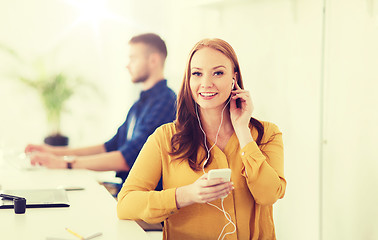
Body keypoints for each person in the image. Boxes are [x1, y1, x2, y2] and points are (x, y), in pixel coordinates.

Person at [116, 38, 286, 240]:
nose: (206, 83)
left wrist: (242, 130)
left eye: (218, 73)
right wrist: (185, 195)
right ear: (188, 80)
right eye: (197, 73)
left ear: (234, 77)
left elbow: (268, 195)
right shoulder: (165, 138)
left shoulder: (267, 134)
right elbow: (125, 203)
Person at [25, 33, 177, 192]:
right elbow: (109, 146)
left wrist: (65, 163)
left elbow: (127, 159)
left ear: (153, 60)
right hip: (127, 190)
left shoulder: (166, 102)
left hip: (145, 199)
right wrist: (54, 152)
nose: (127, 65)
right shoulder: (140, 103)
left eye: (133, 58)